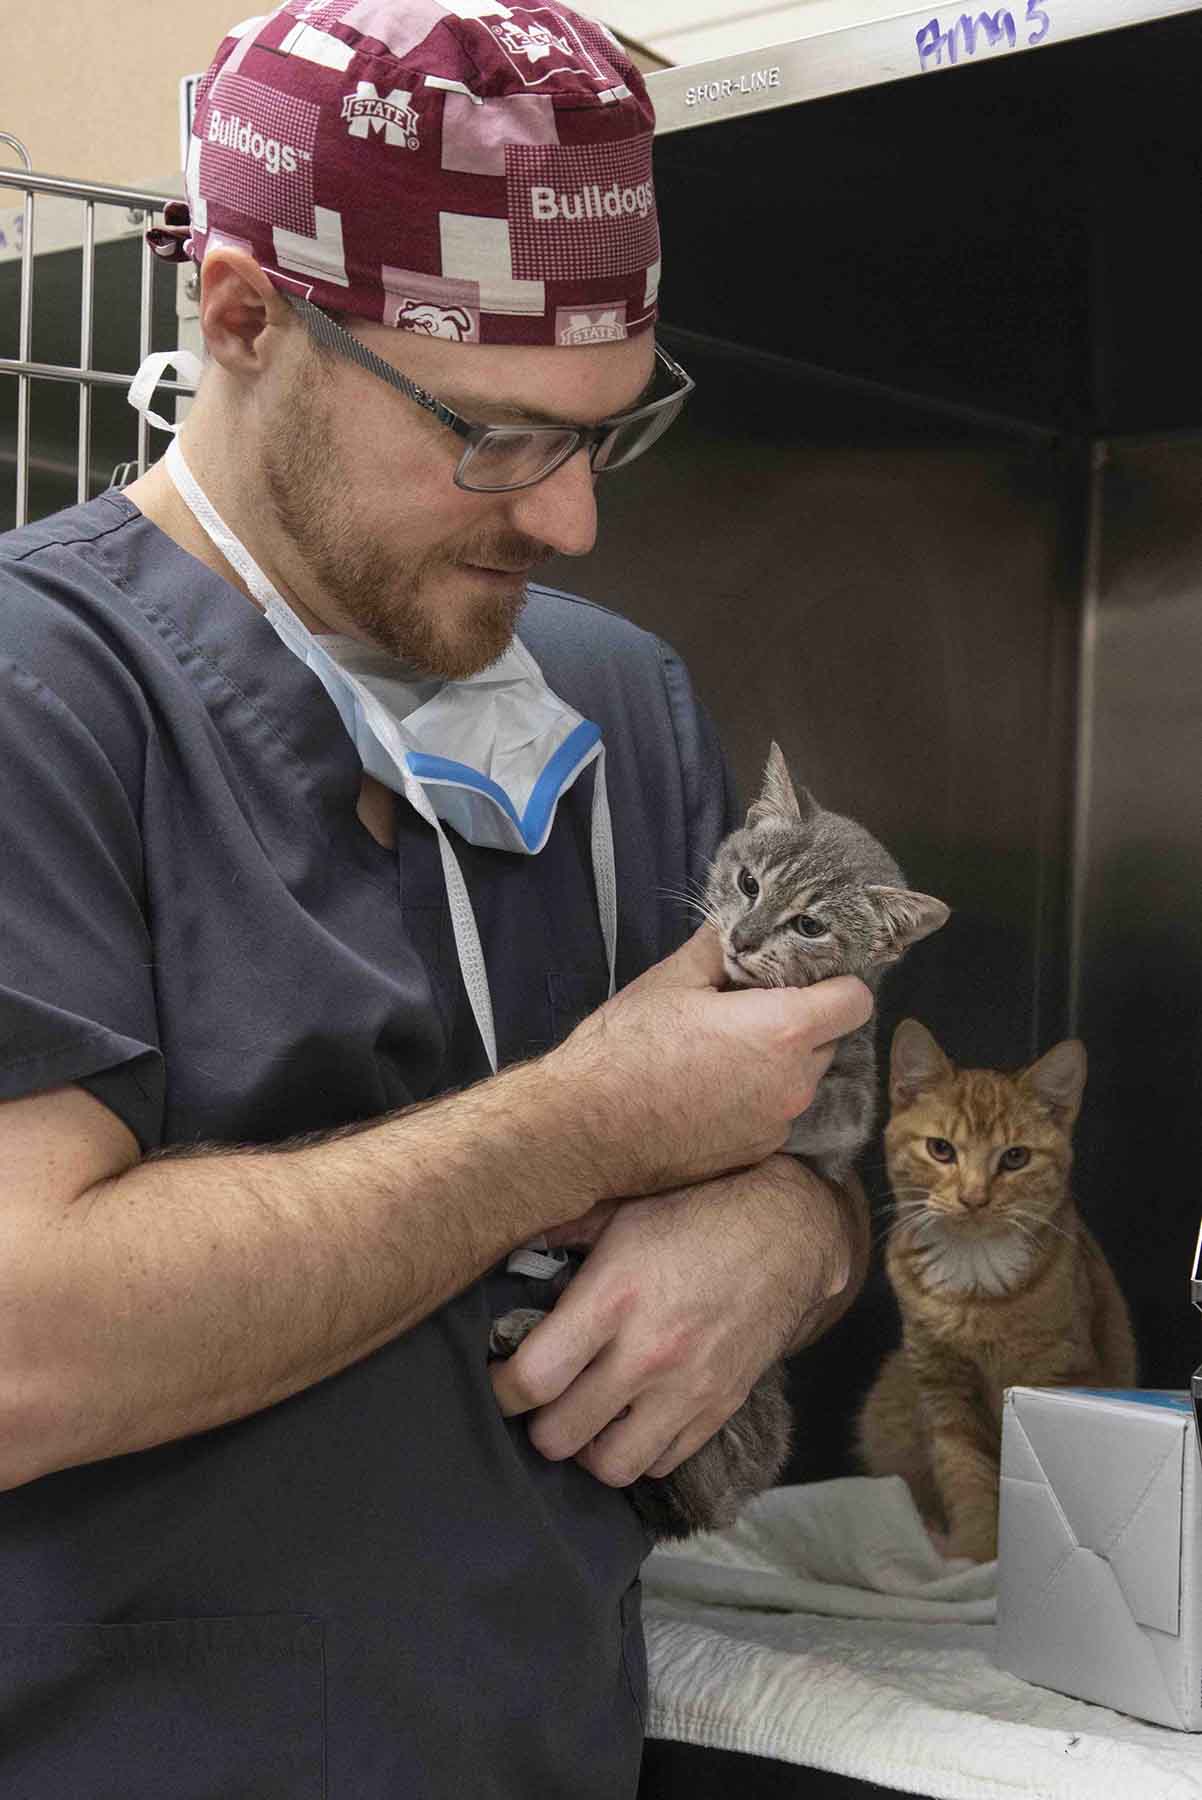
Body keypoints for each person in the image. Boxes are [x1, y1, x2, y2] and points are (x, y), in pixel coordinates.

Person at [0, 3, 872, 1793]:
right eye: (492, 439)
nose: (567, 528)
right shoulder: (45, 697)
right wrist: (570, 1131)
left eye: (602, 437)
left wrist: (784, 1236)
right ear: (244, 316)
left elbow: (777, 1160)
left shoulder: (618, 697)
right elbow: (21, 1351)